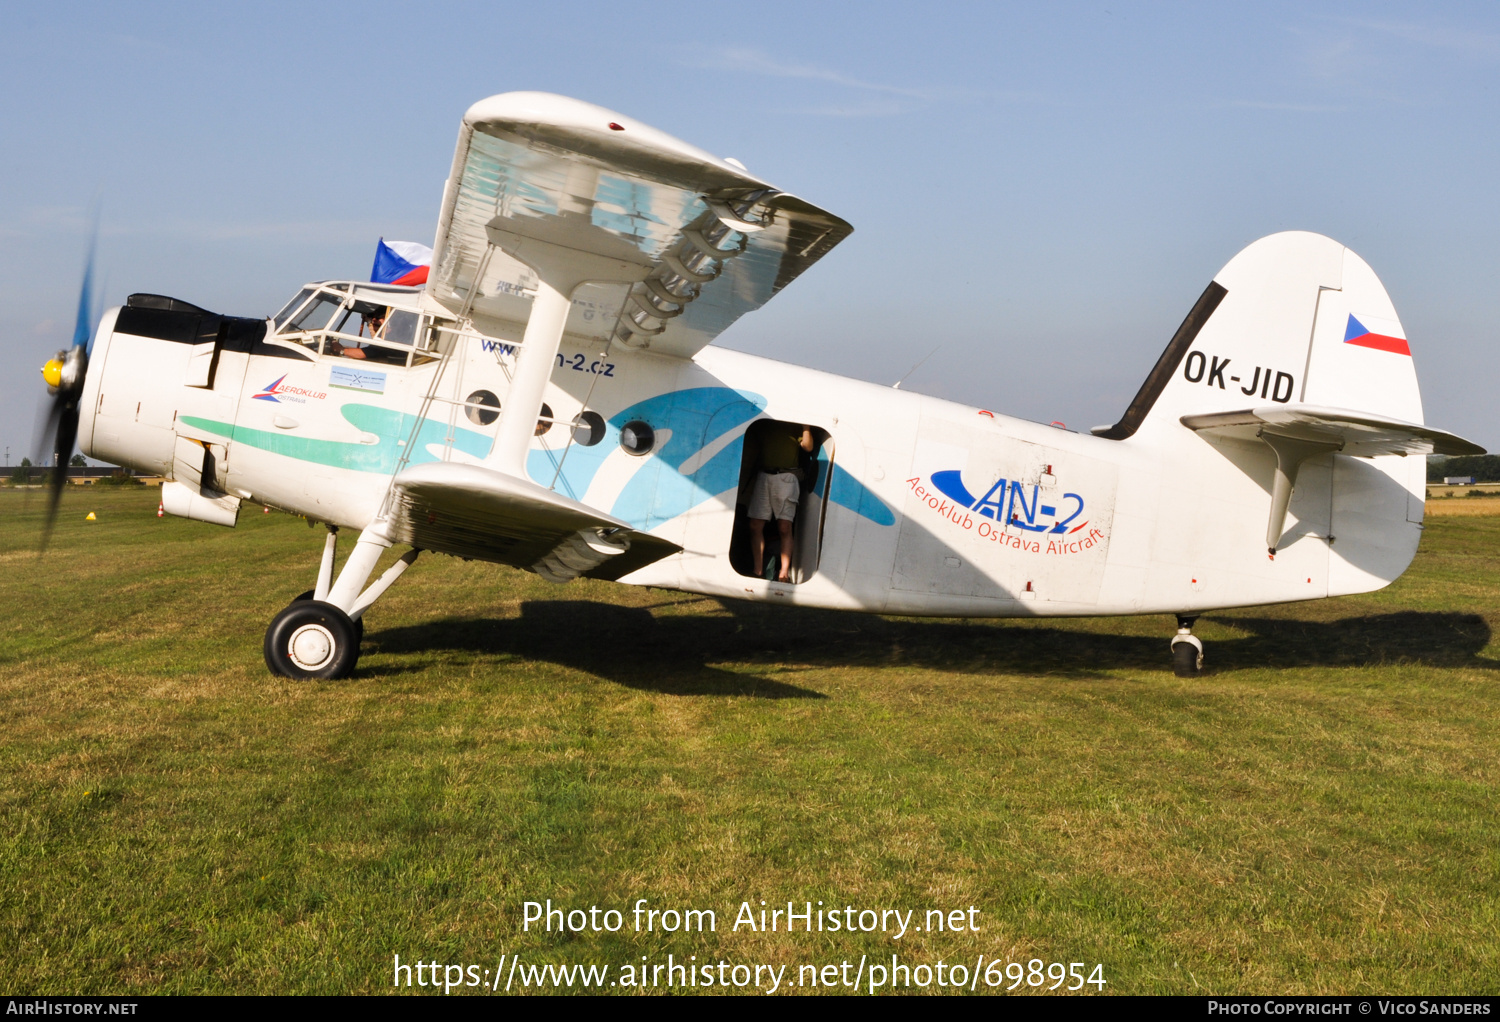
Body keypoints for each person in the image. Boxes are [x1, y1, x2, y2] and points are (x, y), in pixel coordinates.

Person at [748, 423, 815, 583]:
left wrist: (806, 426)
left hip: (786, 476)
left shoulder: (794, 425)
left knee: (784, 526)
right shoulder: (765, 425)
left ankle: (783, 573)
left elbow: (808, 447)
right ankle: (758, 570)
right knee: (755, 525)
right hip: (765, 474)